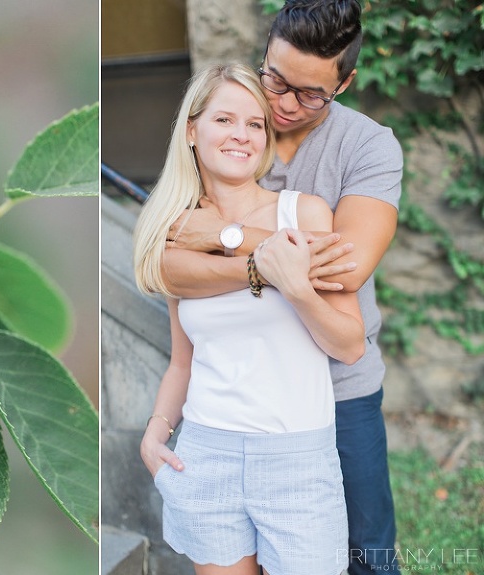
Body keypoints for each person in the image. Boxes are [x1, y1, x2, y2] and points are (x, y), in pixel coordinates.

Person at [160, 2, 403, 573]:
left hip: (340, 386)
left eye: (310, 94)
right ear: (264, 57)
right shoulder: (236, 129)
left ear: (344, 83)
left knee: (367, 553)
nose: (284, 104)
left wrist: (222, 234)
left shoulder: (367, 146)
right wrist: (270, 258)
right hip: (238, 399)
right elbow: (167, 262)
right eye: (275, 79)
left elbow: (345, 268)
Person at [134, 62, 365, 575]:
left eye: (255, 123)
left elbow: (350, 346)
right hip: (207, 452)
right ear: (191, 130)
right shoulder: (176, 231)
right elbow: (182, 362)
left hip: (297, 461)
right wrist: (154, 433)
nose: (241, 134)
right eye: (224, 120)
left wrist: (294, 286)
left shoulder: (303, 214)